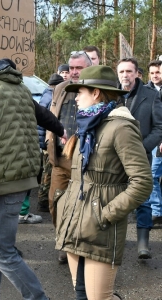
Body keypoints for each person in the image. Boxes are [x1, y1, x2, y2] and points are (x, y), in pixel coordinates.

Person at [0, 46, 66, 300]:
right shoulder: (17, 86)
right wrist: (61, 129)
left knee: (0, 252)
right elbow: (44, 115)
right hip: (20, 178)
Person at [56, 65, 152, 300]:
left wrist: (105, 214)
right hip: (74, 221)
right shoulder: (87, 125)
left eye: (80, 92)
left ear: (96, 93)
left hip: (101, 227)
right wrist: (63, 203)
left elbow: (142, 182)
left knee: (99, 298)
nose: (76, 98)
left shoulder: (121, 127)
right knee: (80, 294)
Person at [47, 50, 92, 263]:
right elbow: (51, 115)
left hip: (86, 161)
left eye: (78, 68)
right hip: (60, 160)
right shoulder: (60, 88)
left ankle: (79, 245)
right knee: (55, 202)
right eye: (71, 68)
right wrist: (48, 140)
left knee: (83, 206)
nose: (73, 72)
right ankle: (63, 239)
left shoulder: (97, 89)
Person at [117, 57, 162, 259]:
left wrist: (141, 147)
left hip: (141, 157)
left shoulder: (151, 96)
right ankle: (114, 240)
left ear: (137, 74)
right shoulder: (110, 95)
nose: (125, 75)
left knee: (143, 200)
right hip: (114, 158)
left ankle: (143, 242)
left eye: (129, 71)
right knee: (115, 198)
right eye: (121, 72)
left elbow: (159, 127)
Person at [37, 73, 64, 212]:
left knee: (45, 171)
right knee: (48, 172)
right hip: (49, 140)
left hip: (44, 139)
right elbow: (49, 120)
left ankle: (43, 199)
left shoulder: (45, 95)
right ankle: (43, 201)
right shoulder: (52, 97)